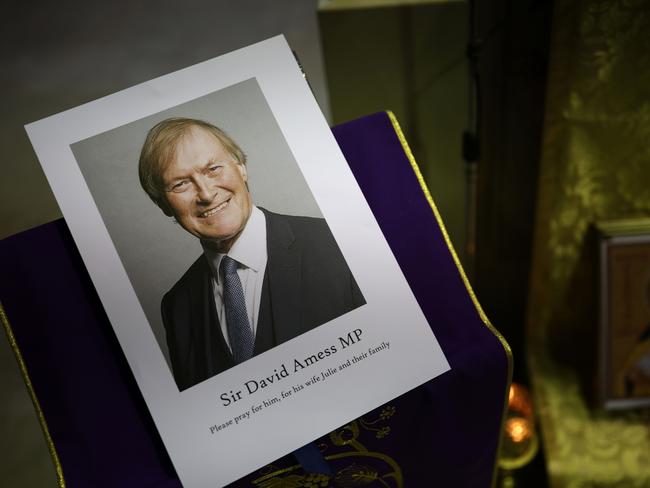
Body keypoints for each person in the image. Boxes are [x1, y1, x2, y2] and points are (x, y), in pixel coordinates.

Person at [139, 117, 365, 390]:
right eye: (180, 184)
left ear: (241, 168)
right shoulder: (177, 307)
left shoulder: (339, 241)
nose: (206, 194)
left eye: (213, 169)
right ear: (163, 205)